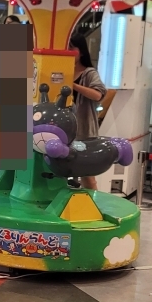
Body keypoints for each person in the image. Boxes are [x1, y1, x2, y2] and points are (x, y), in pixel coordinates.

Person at [69, 33, 107, 190]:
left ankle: (93, 200)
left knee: (86, 171)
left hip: (83, 129)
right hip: (64, 127)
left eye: (72, 48)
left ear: (81, 51)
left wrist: (73, 85)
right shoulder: (62, 70)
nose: (68, 52)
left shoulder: (89, 73)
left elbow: (98, 94)